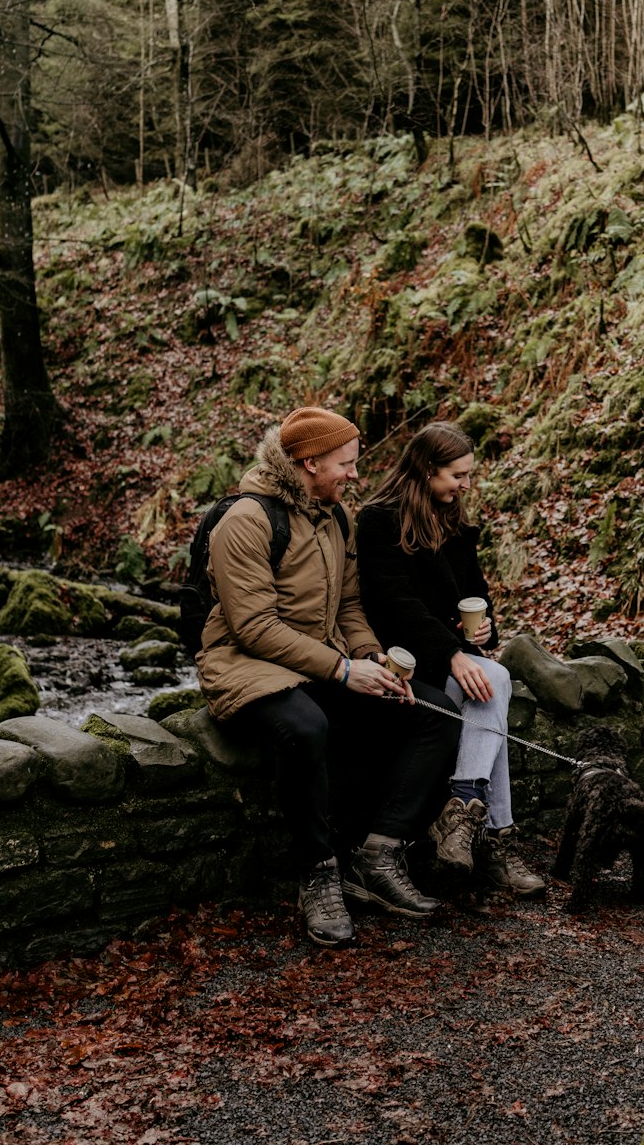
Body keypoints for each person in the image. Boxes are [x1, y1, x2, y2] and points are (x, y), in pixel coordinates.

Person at [196, 406, 460, 948]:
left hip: (322, 659)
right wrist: (342, 670)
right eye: (346, 464)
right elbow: (254, 628)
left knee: (435, 715)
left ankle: (378, 856)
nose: (355, 475)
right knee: (306, 729)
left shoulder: (335, 516)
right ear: (308, 462)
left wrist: (371, 658)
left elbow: (349, 605)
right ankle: (318, 873)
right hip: (247, 665)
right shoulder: (246, 520)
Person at [356, 421, 545, 898]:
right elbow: (400, 605)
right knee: (494, 684)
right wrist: (455, 652)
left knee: (493, 681)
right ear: (425, 469)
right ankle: (495, 839)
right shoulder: (378, 519)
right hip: (403, 663)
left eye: (467, 475)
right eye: (457, 475)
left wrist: (483, 631)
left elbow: (474, 595)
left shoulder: (455, 523)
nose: (465, 485)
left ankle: (464, 810)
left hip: (449, 652)